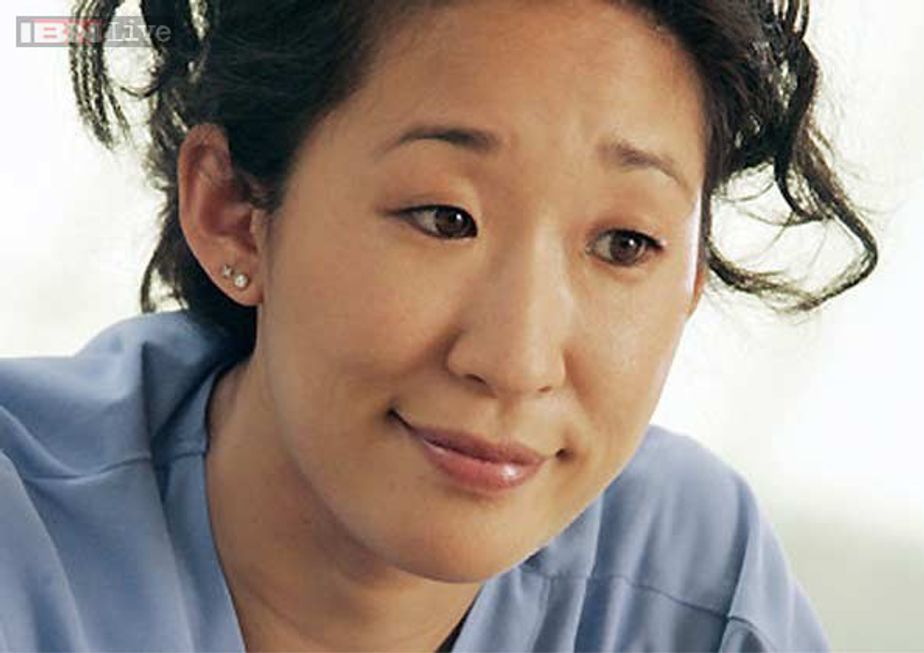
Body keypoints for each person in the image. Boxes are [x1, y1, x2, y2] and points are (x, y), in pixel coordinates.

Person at [0, 0, 878, 650]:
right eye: (444, 218)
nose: (518, 360)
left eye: (625, 243)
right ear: (234, 212)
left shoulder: (690, 585)